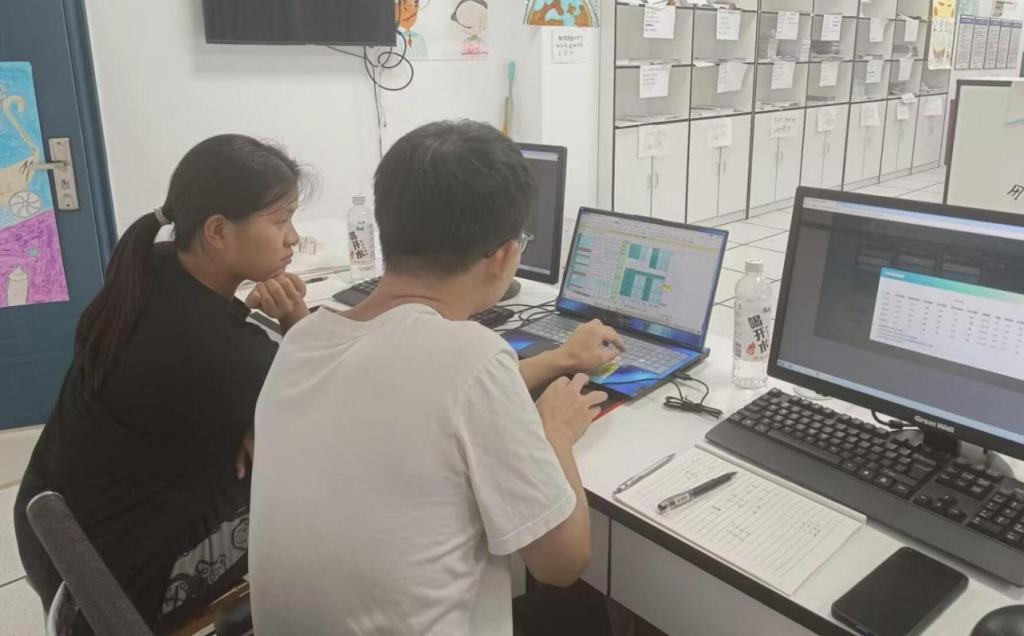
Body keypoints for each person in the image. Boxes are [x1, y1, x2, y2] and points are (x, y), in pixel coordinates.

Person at [249, 120, 625, 635]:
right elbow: (562, 563)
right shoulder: (472, 358)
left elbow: (428, 390)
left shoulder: (304, 339)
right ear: (505, 256)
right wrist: (554, 432)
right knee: (581, 611)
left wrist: (559, 358)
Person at [14, 134, 314, 633]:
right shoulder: (216, 351)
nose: (294, 239)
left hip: (61, 544)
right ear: (218, 231)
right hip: (131, 582)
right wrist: (296, 320)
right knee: (322, 486)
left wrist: (251, 417)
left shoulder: (149, 269)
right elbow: (330, 407)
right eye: (281, 221)